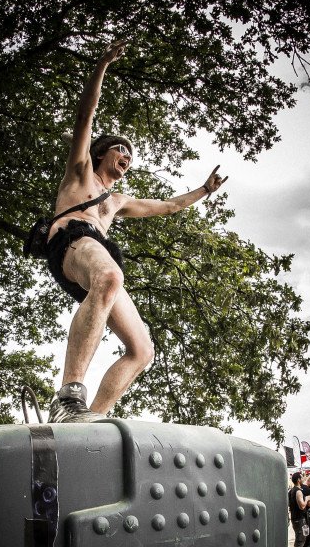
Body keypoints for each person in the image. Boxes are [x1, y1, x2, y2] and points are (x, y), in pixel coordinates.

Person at [43, 39, 227, 423]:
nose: (127, 157)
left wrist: (204, 191)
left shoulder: (118, 200)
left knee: (143, 350)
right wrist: (102, 65)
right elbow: (85, 116)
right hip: (72, 242)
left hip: (97, 255)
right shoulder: (80, 174)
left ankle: (89, 421)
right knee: (110, 274)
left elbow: (169, 206)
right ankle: (67, 399)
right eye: (120, 150)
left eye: (131, 155)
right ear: (101, 152)